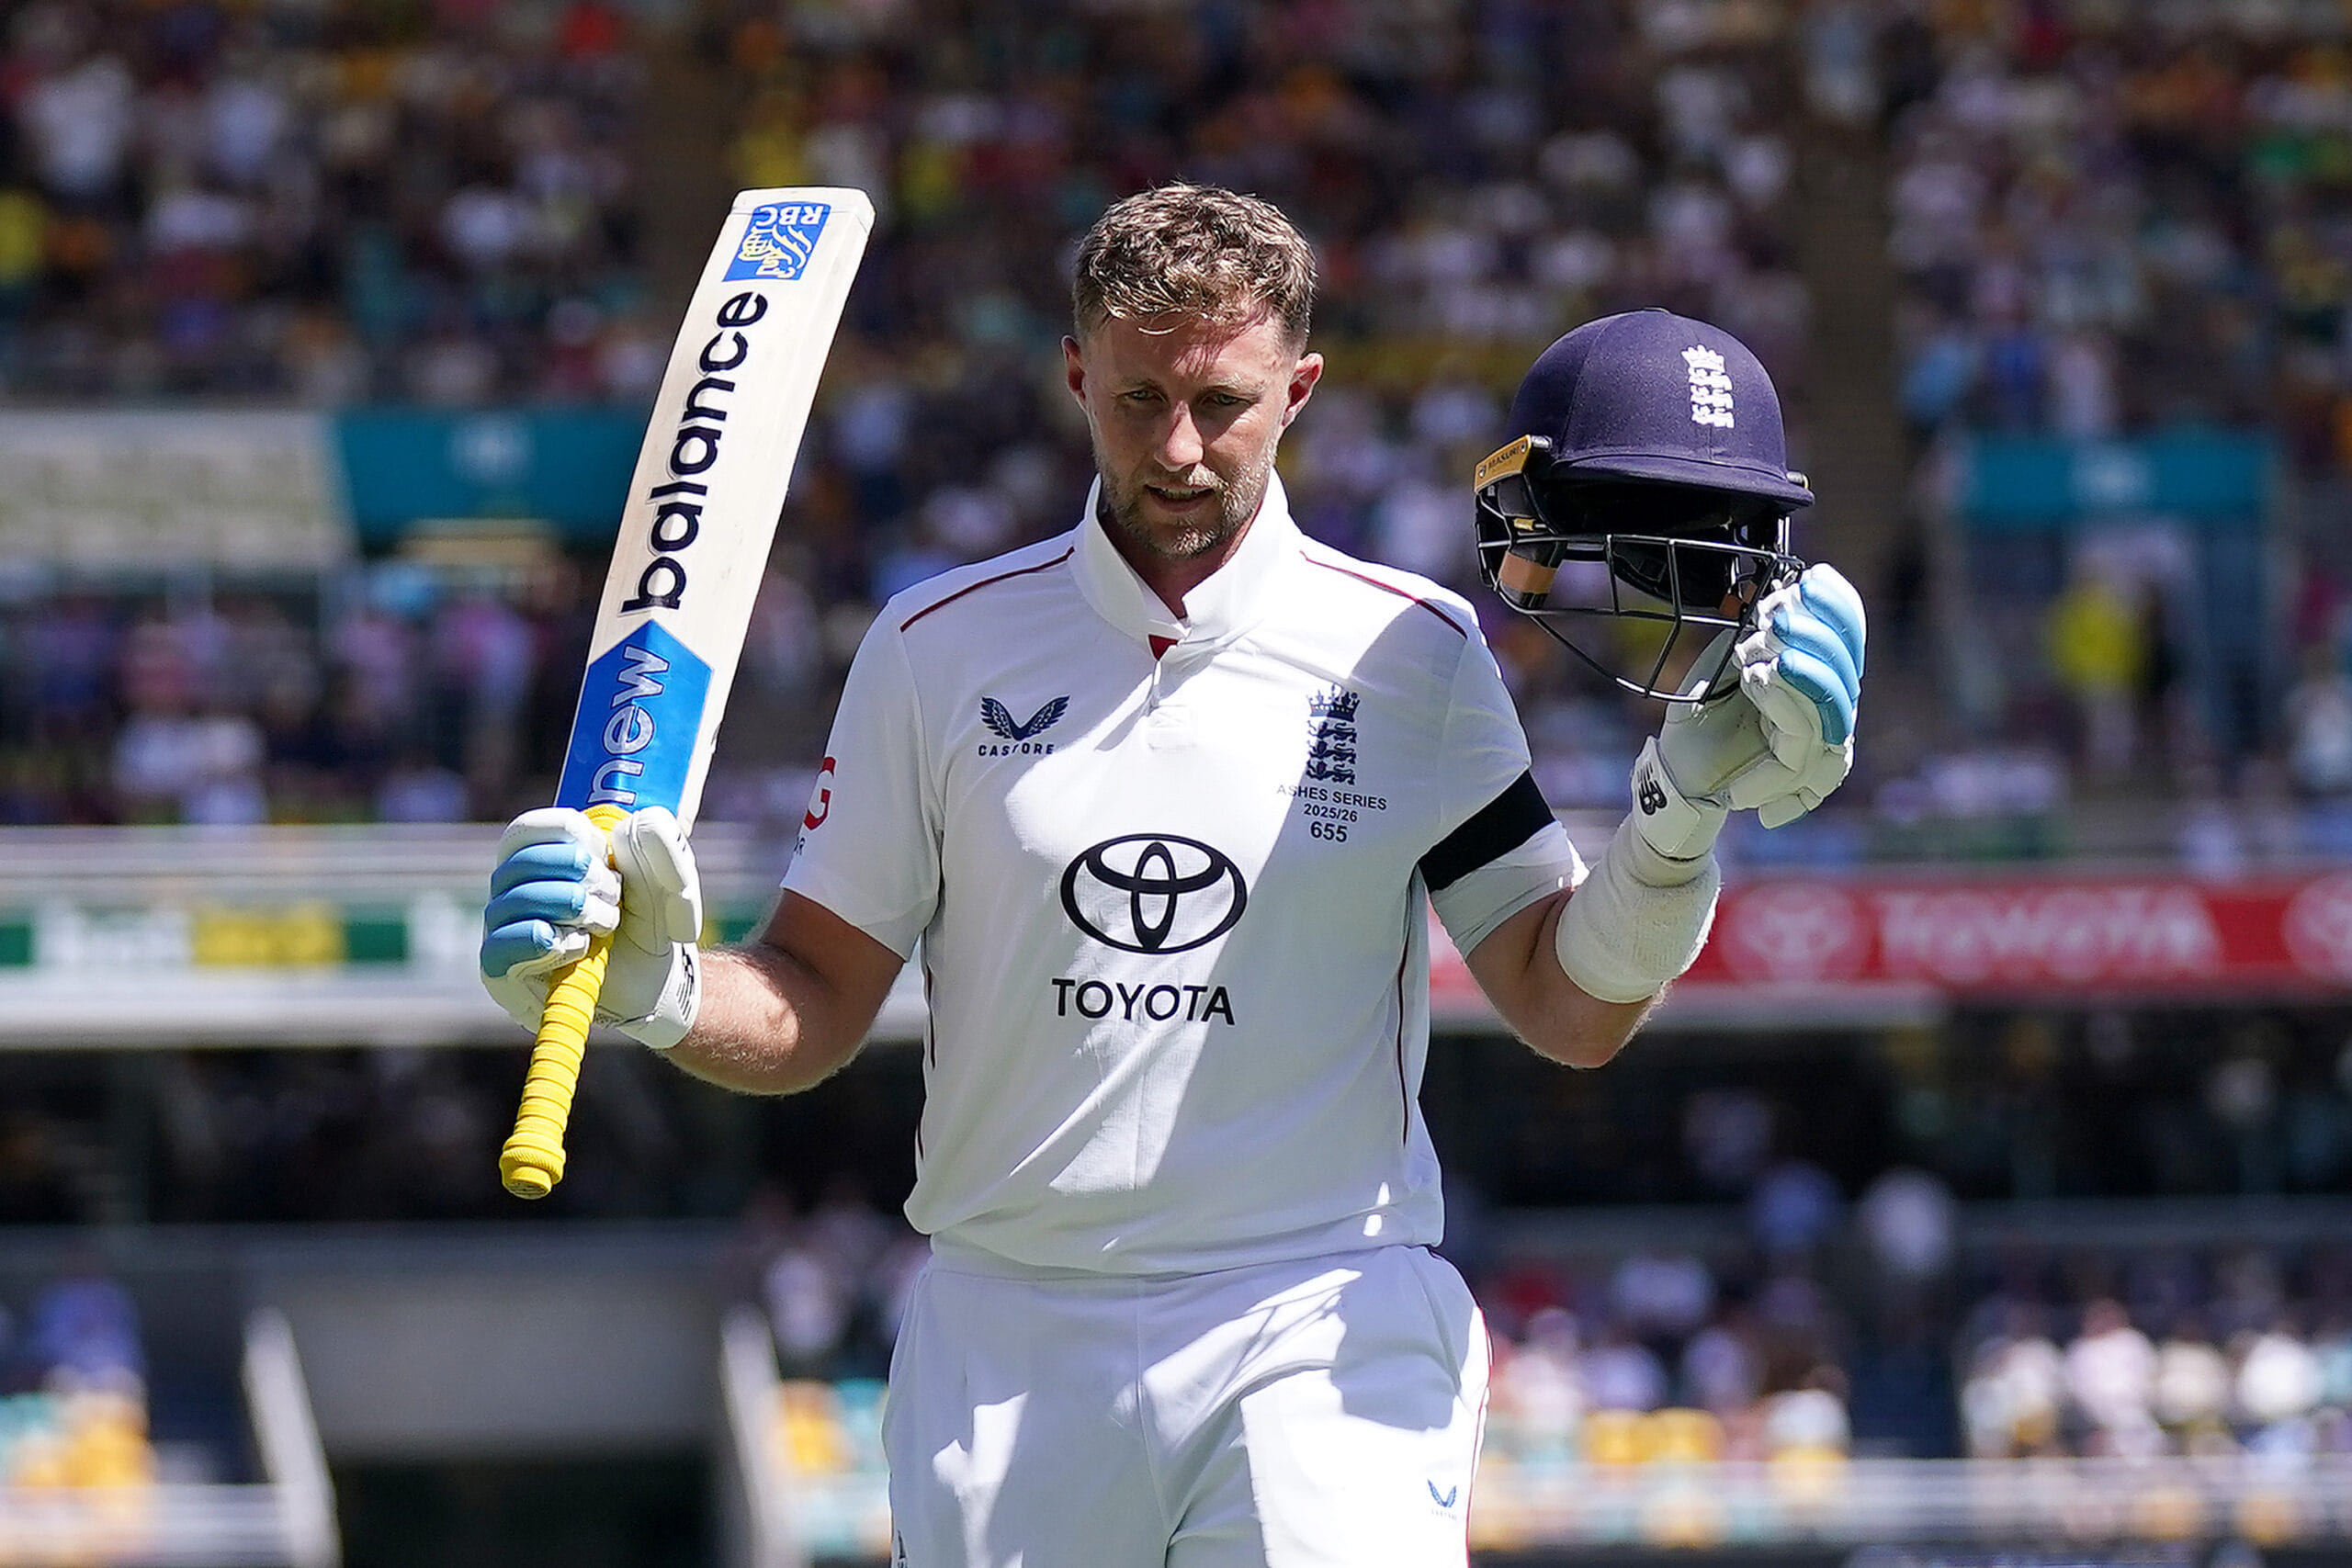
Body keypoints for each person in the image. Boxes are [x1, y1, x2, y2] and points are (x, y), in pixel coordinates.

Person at [480, 186, 1865, 1567]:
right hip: (1008, 1334)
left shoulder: (1417, 655)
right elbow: (816, 1002)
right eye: (1139, 401)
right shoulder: (936, 648)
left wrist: (1679, 820)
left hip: (1322, 1317)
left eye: (1226, 404)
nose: (1183, 450)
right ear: (1076, 372)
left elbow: (1569, 1007)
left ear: (1301, 387)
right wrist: (657, 986)